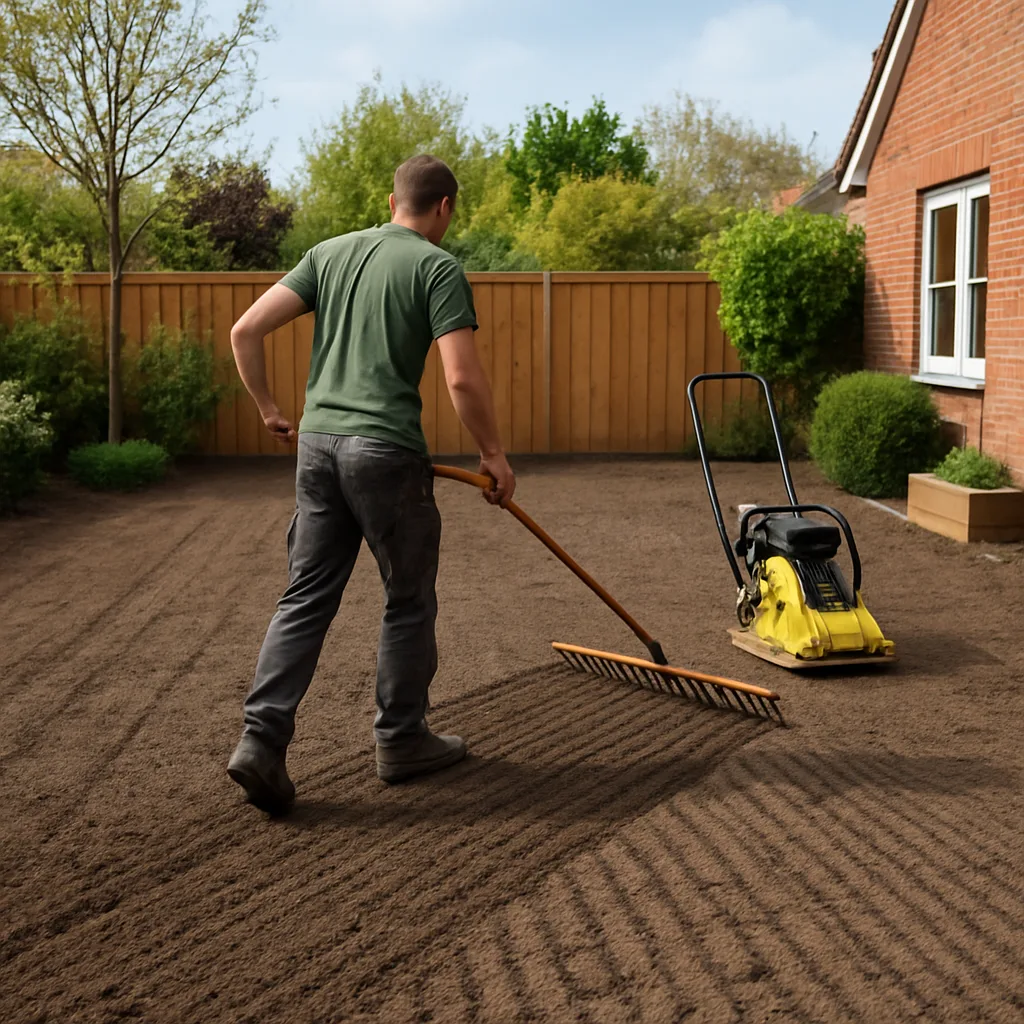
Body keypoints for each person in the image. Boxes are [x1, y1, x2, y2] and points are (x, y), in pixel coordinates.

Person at [225, 154, 516, 814]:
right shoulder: (436, 267)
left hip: (319, 450)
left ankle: (260, 741)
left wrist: (270, 410)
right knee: (407, 598)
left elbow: (245, 330)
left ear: (393, 200)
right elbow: (463, 378)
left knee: (305, 596)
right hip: (385, 455)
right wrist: (493, 455)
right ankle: (401, 738)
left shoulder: (329, 255)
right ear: (445, 207)